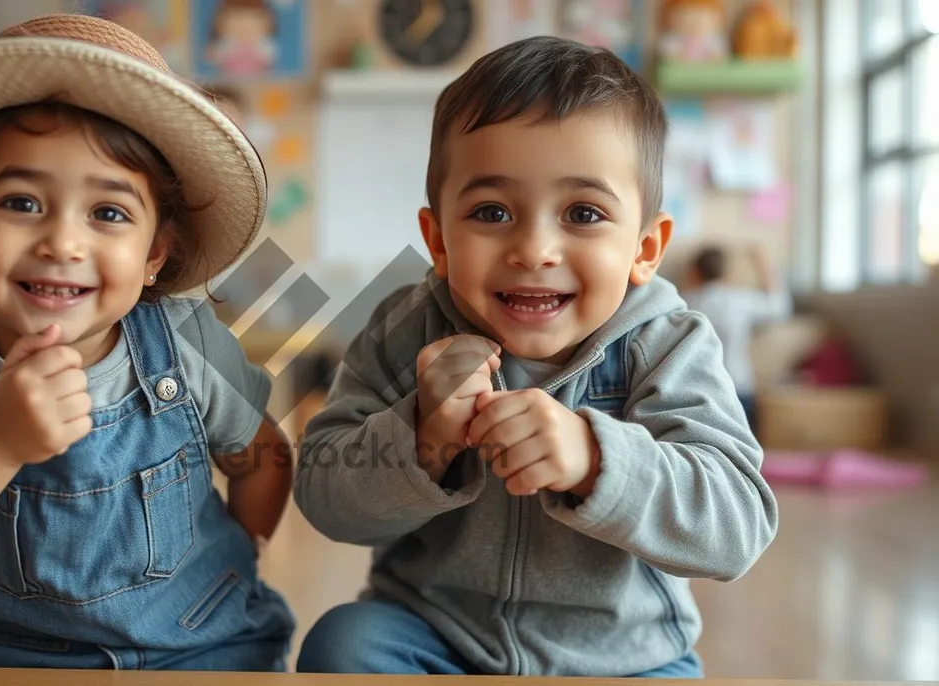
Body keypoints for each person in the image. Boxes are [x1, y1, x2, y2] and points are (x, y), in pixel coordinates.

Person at [292, 36, 778, 678]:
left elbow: (735, 527)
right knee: (344, 644)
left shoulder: (669, 344)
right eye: (492, 211)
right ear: (438, 239)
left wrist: (597, 461)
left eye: (583, 212)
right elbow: (326, 496)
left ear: (645, 247)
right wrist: (424, 437)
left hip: (624, 658)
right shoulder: (406, 328)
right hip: (436, 635)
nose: (534, 249)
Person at [0, 13, 295, 671]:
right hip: (16, 664)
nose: (63, 243)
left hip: (209, 648)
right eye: (22, 203)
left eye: (108, 214)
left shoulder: (186, 342)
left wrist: (245, 550)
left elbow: (264, 455)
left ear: (154, 256)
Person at [680, 244, 792, 433]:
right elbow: (779, 308)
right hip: (737, 385)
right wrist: (763, 264)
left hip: (697, 388)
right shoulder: (739, 300)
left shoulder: (684, 301)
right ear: (728, 273)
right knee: (745, 450)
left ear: (695, 272)